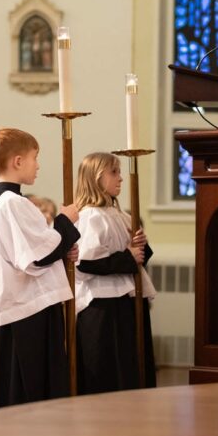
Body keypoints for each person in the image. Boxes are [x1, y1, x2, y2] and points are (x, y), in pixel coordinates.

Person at [0, 128, 80, 409]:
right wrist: (65, 222)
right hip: (27, 309)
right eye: (35, 157)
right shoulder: (13, 204)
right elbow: (37, 258)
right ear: (18, 161)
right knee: (28, 386)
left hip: (27, 306)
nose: (38, 165)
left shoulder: (7, 203)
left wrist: (62, 247)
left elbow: (38, 250)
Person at [73, 152, 157, 393]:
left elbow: (139, 258)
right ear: (96, 177)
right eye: (114, 172)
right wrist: (128, 256)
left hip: (125, 301)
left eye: (120, 172)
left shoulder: (120, 214)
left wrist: (141, 245)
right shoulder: (91, 216)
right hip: (103, 305)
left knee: (131, 365)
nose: (121, 178)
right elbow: (86, 262)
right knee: (107, 369)